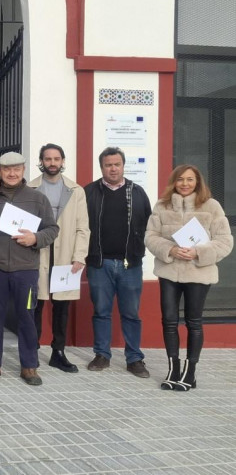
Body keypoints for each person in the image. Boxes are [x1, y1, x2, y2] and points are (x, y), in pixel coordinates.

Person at [0, 151, 59, 386]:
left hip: (25, 268)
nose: (11, 173)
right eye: (7, 169)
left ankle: (29, 366)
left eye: (16, 169)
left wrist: (35, 239)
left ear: (23, 170)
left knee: (26, 317)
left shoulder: (37, 199)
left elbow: (52, 229)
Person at [145, 165, 232, 391]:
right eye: (180, 179)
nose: (185, 184)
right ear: (174, 182)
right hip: (169, 271)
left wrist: (198, 252)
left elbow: (225, 241)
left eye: (190, 180)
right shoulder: (161, 206)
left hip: (198, 271)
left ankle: (190, 372)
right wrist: (170, 249)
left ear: (198, 182)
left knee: (194, 322)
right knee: (169, 320)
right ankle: (173, 368)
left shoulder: (211, 206)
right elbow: (150, 236)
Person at [84, 146, 152, 378]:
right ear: (101, 167)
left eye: (117, 164)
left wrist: (139, 252)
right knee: (101, 311)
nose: (113, 168)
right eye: (108, 165)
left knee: (131, 313)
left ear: (123, 166)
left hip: (129, 265)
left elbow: (148, 227)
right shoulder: (89, 192)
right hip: (99, 264)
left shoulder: (138, 192)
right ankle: (102, 355)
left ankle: (134, 359)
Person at [27, 143, 89, 373]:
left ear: (63, 161)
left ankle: (58, 352)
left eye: (56, 159)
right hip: (37, 253)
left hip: (65, 255)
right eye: (47, 158)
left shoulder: (76, 191)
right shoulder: (30, 188)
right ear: (41, 161)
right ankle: (31, 350)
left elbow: (83, 228)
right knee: (35, 305)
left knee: (62, 306)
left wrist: (79, 256)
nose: (52, 163)